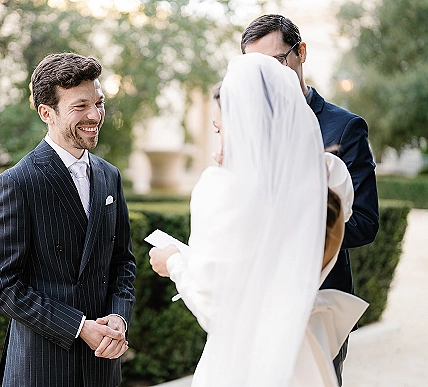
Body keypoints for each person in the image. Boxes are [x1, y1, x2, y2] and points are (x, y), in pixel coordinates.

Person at [149, 53, 368, 386]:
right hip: (303, 350)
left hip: (245, 360)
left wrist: (176, 262)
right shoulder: (328, 180)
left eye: (221, 131)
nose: (217, 150)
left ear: (247, 128)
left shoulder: (220, 190)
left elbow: (215, 310)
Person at [0, 52, 136, 387]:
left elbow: (122, 262)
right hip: (41, 369)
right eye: (80, 106)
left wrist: (119, 319)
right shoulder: (16, 183)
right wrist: (80, 327)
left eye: (99, 102)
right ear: (46, 113)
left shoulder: (110, 176)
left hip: (101, 369)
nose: (95, 115)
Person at [240, 14, 380, 384]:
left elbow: (364, 223)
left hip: (318, 303)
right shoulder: (244, 126)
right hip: (256, 300)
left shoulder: (345, 127)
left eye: (275, 63)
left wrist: (295, 227)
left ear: (300, 53)